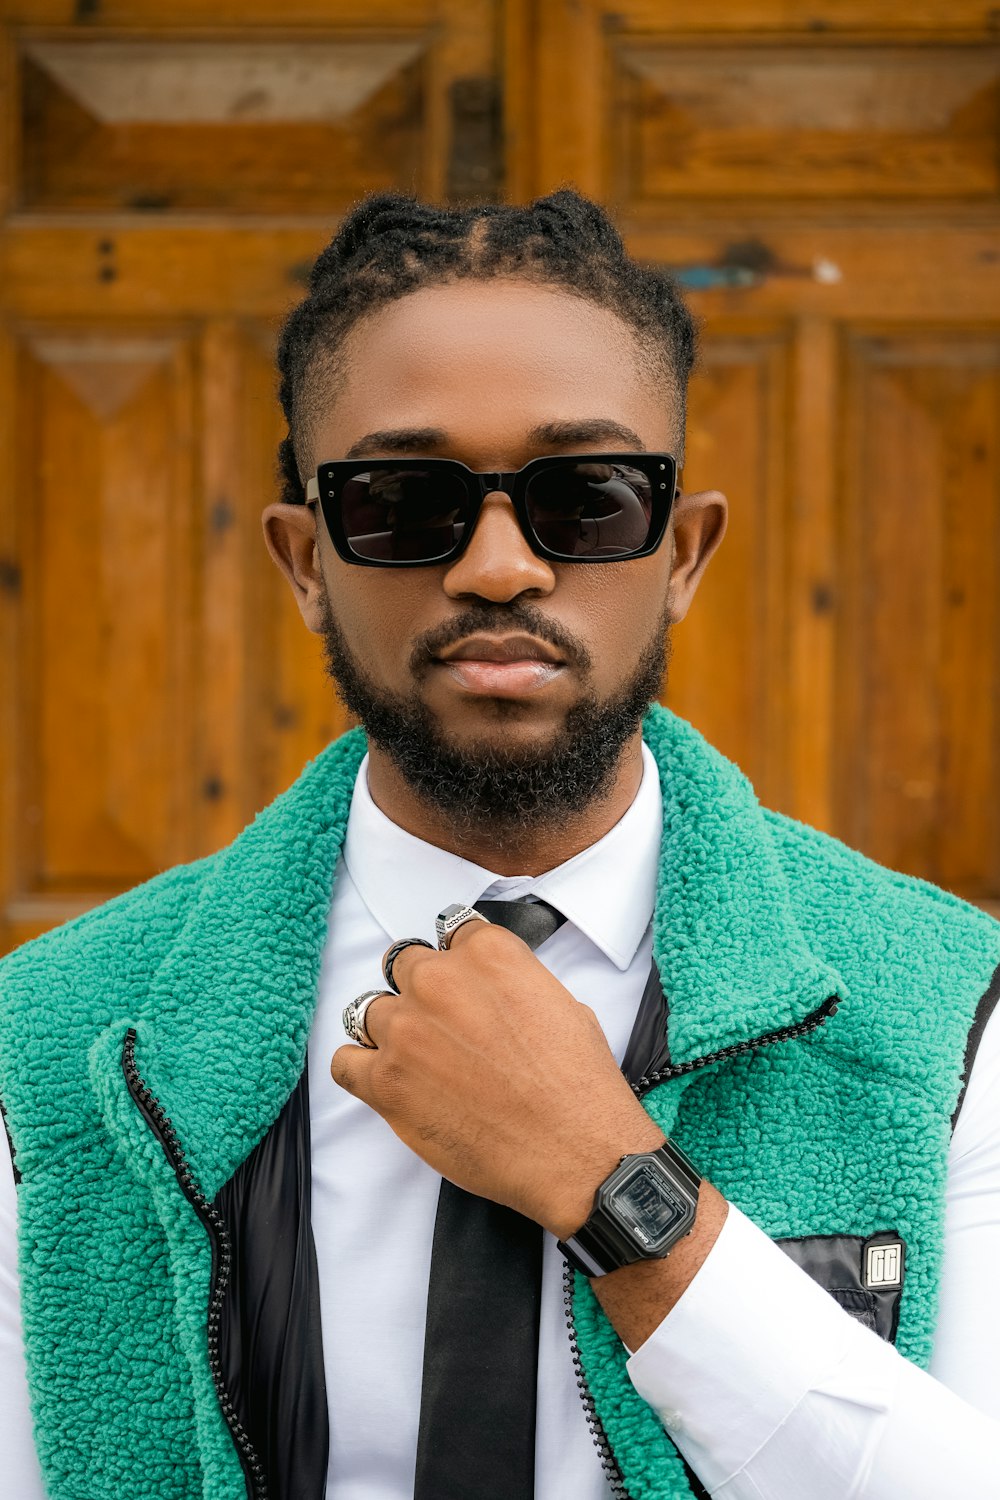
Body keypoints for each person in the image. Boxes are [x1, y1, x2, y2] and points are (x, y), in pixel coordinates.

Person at [1, 191, 998, 1500]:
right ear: (306, 561)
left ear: (684, 551)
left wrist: (617, 1188)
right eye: (406, 502)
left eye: (582, 498)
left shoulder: (947, 1014)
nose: (497, 565)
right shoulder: (56, 1038)